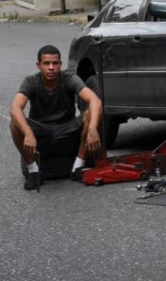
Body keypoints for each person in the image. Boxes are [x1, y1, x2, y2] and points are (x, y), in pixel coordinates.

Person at [10, 44, 102, 191]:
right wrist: (28, 133)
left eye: (55, 63)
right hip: (41, 133)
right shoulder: (31, 81)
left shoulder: (70, 78)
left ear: (60, 64)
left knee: (91, 113)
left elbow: (95, 100)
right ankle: (34, 171)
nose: (51, 67)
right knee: (14, 124)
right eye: (46, 63)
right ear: (39, 65)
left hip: (67, 131)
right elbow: (15, 108)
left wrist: (92, 130)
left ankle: (78, 167)